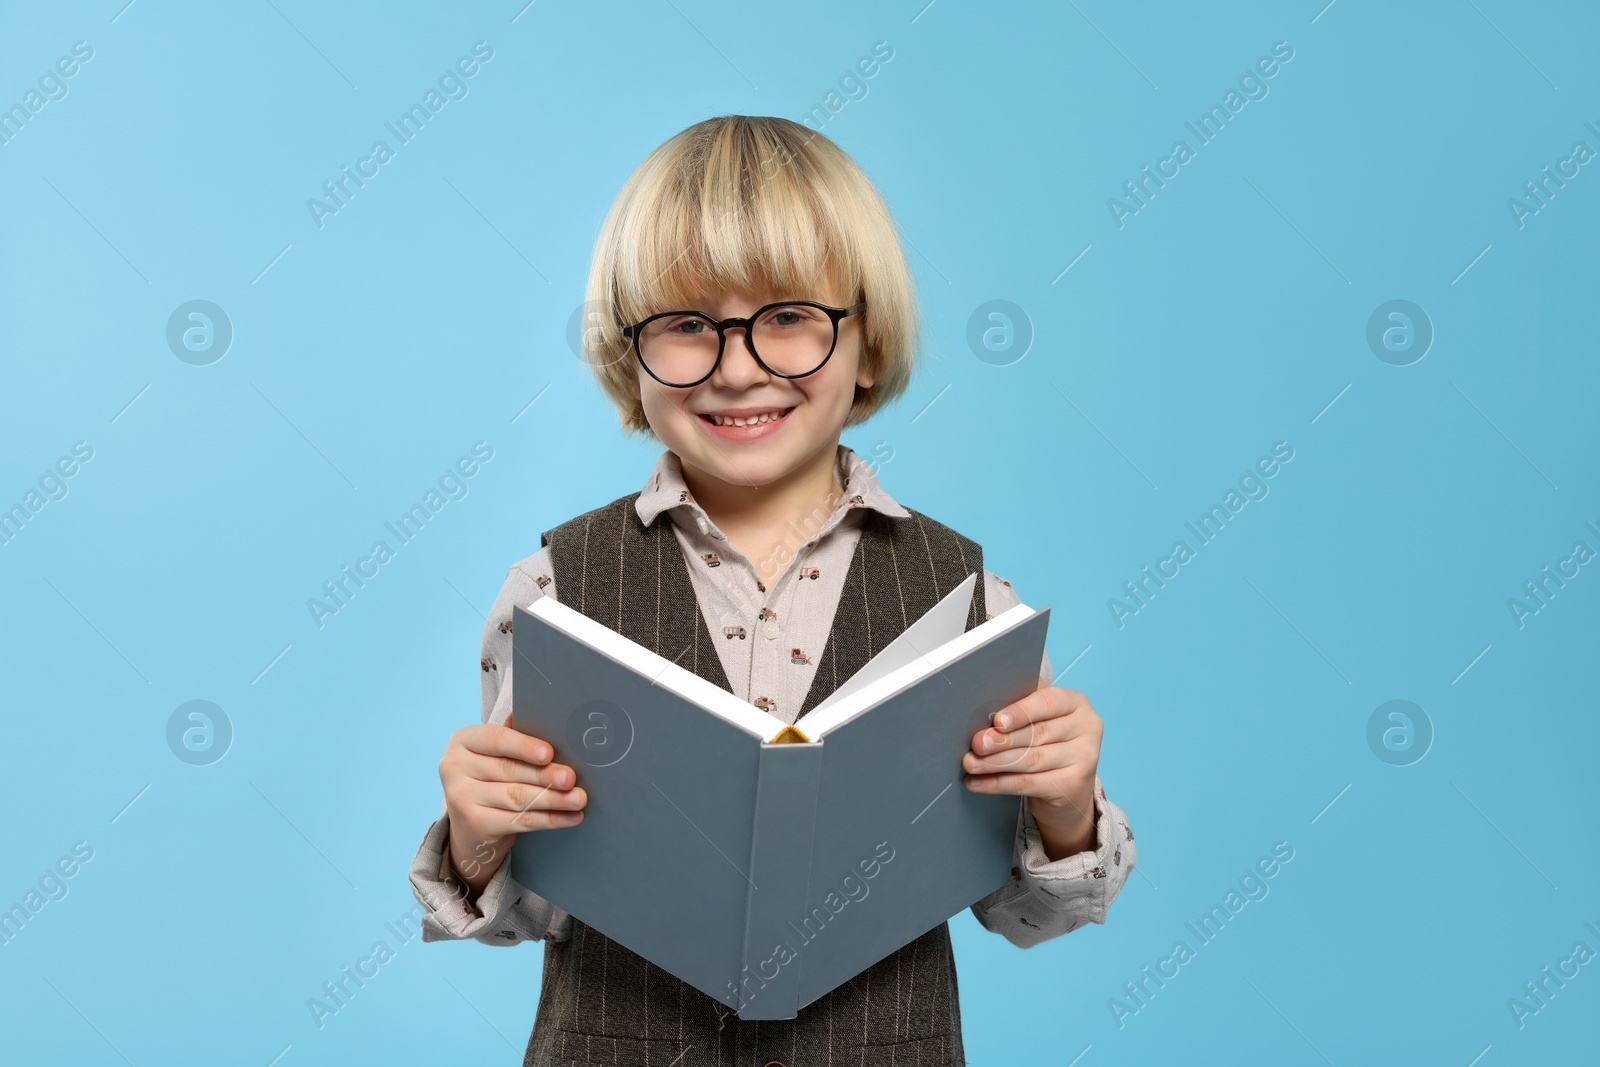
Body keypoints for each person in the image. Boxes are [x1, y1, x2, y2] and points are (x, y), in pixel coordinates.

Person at [409, 114, 1135, 1067]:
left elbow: (1032, 913)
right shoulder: (551, 591)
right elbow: (527, 912)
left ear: (867, 344)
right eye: (685, 324)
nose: (738, 364)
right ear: (634, 356)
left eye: (790, 316)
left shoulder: (968, 598)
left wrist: (1066, 806)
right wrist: (475, 839)